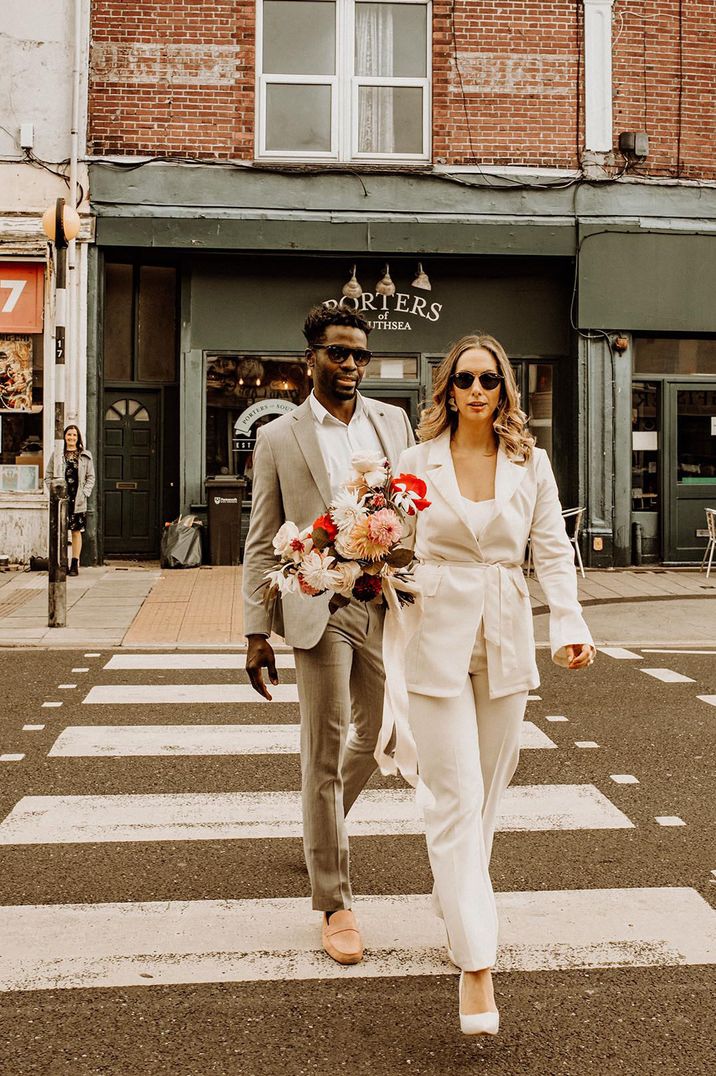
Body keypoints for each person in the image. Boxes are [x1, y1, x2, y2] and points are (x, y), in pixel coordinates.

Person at [377, 334, 594, 1036]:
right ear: (447, 388)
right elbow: (389, 542)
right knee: (455, 796)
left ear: (505, 391)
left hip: (504, 633)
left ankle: (456, 902)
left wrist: (569, 625)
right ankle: (478, 965)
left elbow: (552, 551)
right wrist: (366, 564)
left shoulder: (531, 463)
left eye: (490, 379)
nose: (477, 389)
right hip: (432, 636)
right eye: (465, 378)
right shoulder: (415, 462)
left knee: (488, 797)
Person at [242, 303, 414, 964]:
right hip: (319, 605)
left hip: (384, 600)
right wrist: (256, 631)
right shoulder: (281, 437)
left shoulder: (391, 422)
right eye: (338, 354)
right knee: (326, 748)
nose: (350, 366)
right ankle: (335, 902)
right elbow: (262, 541)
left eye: (359, 356)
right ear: (310, 357)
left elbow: (415, 507)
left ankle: (323, 830)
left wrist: (404, 546)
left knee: (377, 737)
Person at [44, 425, 95, 576]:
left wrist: (85, 493)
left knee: (76, 531)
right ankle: (62, 563)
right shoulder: (58, 455)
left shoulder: (85, 456)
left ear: (78, 438)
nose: (71, 438)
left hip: (77, 499)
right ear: (65, 437)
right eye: (69, 435)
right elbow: (48, 476)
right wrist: (54, 492)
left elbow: (90, 477)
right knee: (61, 532)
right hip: (61, 500)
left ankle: (75, 564)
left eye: (74, 435)